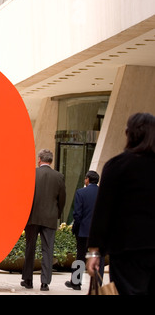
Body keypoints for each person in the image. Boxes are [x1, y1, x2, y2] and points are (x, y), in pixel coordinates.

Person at [86, 112, 155, 295]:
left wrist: (94, 252)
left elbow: (103, 212)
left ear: (129, 134)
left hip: (126, 251)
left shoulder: (116, 166)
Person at [21, 149, 66, 291]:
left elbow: (25, 195)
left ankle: (28, 280)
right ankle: (45, 283)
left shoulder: (32, 173)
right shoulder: (59, 176)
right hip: (50, 218)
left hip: (32, 217)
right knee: (47, 249)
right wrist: (56, 214)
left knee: (30, 248)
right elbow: (62, 199)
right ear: (50, 161)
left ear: (39, 159)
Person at [65, 170, 104, 290]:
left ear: (87, 179)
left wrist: (76, 228)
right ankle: (97, 284)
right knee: (99, 257)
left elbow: (77, 214)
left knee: (80, 256)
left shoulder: (81, 192)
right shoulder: (103, 193)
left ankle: (76, 283)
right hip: (99, 232)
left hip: (83, 231)